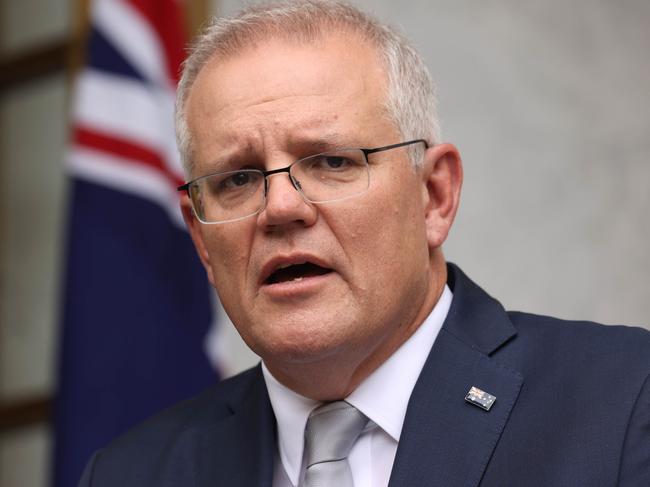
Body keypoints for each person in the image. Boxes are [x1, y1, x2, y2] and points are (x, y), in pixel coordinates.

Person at [78, 1, 650, 486]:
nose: (280, 207)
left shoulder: (624, 401)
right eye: (238, 179)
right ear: (202, 239)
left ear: (434, 195)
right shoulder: (131, 472)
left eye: (331, 161)